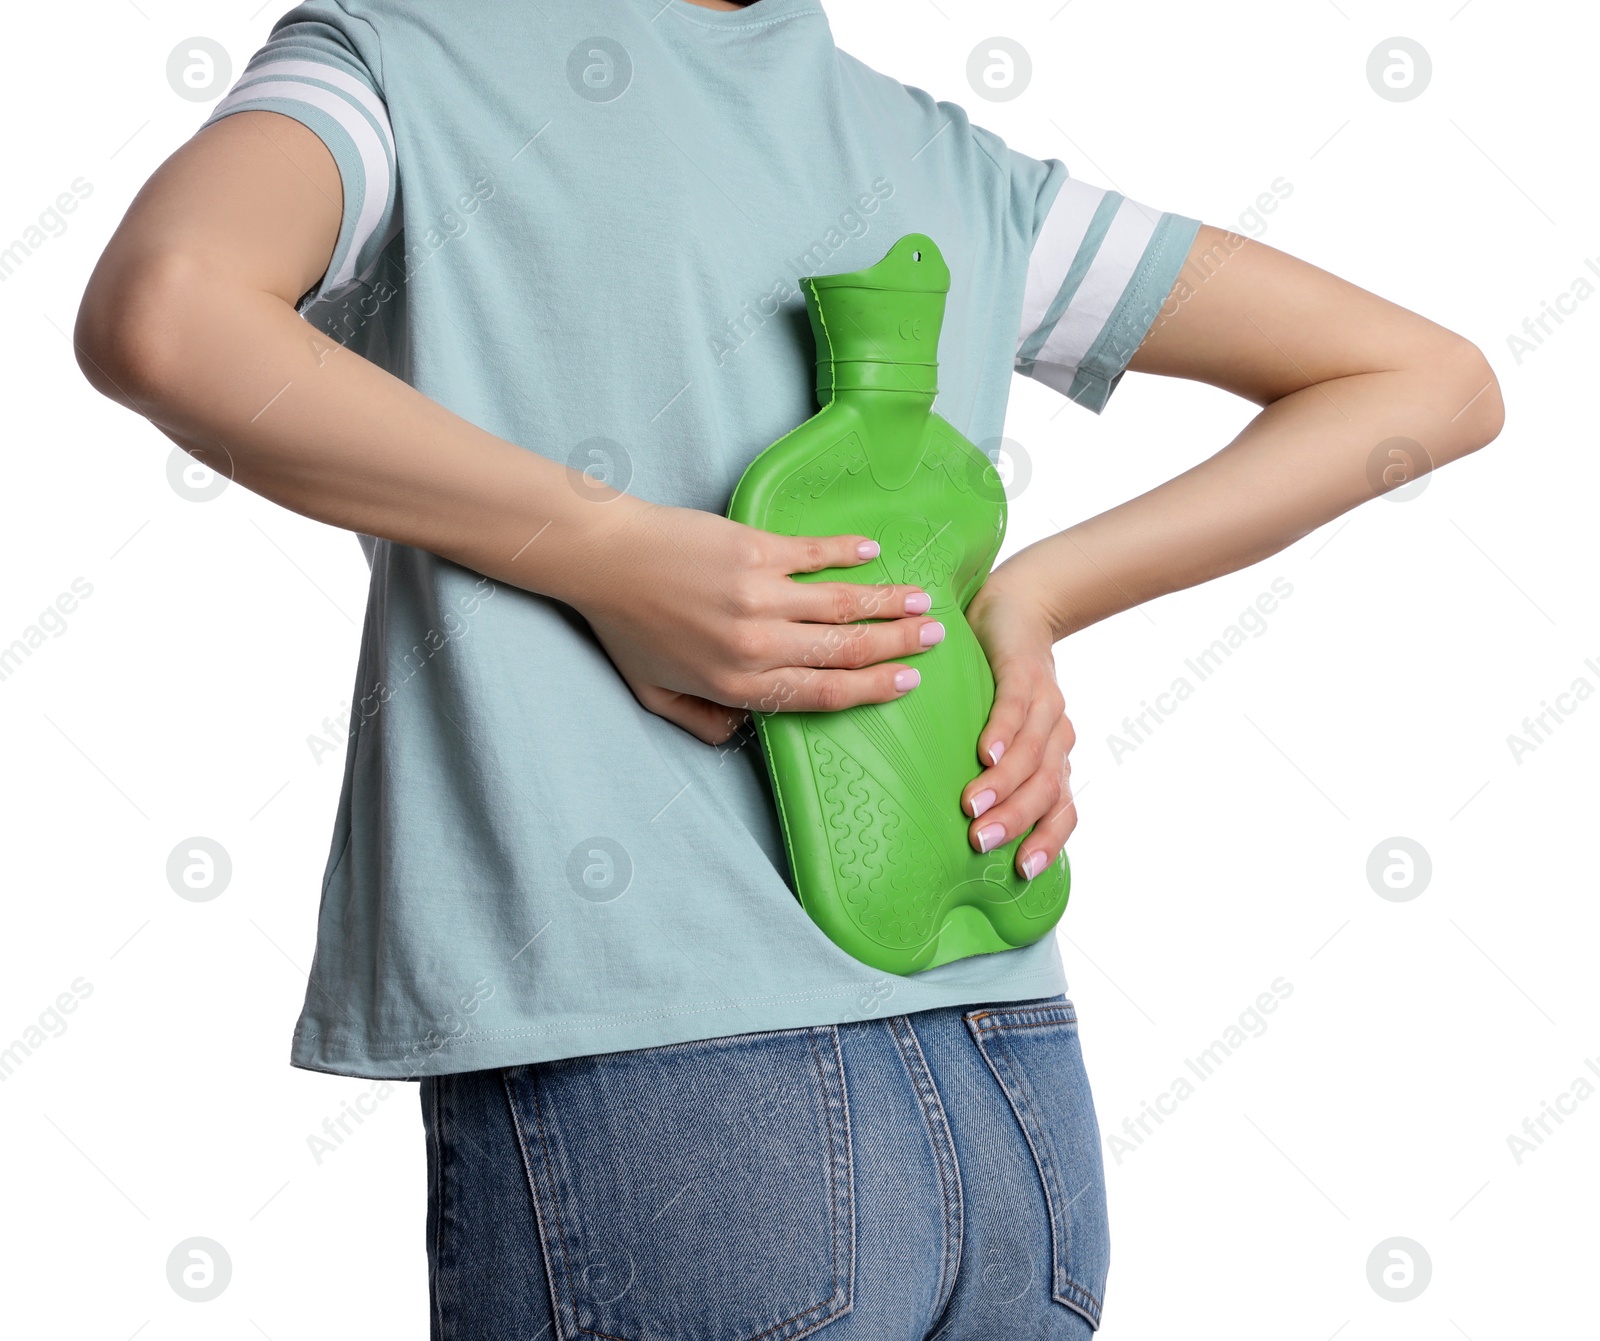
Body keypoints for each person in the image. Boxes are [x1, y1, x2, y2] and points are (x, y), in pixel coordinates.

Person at [74, 0, 1503, 1335]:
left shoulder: (404, 64)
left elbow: (168, 305)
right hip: (1016, 1098)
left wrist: (604, 545)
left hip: (670, 1099)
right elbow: (1426, 381)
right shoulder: (945, 163)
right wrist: (1040, 596)